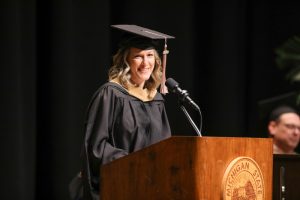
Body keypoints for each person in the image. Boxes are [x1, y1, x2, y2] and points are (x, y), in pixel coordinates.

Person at [70, 25, 174, 200]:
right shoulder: (110, 94)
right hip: (120, 186)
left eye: (149, 56)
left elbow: (164, 146)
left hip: (151, 189)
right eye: (138, 57)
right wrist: (136, 162)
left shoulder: (156, 99)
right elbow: (96, 148)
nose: (145, 63)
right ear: (126, 61)